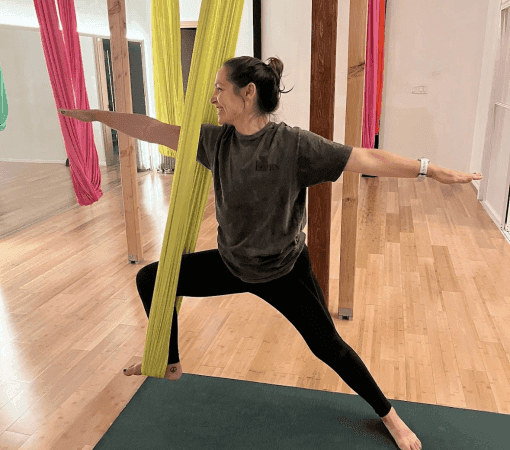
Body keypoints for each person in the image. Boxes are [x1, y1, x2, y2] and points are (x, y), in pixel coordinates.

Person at [59, 56, 482, 450]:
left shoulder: (294, 146)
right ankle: (170, 363)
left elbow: (366, 158)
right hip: (232, 264)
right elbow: (153, 129)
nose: (213, 98)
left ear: (247, 93)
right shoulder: (214, 141)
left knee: (328, 347)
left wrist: (429, 169)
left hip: (283, 270)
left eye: (220, 88)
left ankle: (390, 416)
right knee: (151, 279)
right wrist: (99, 116)